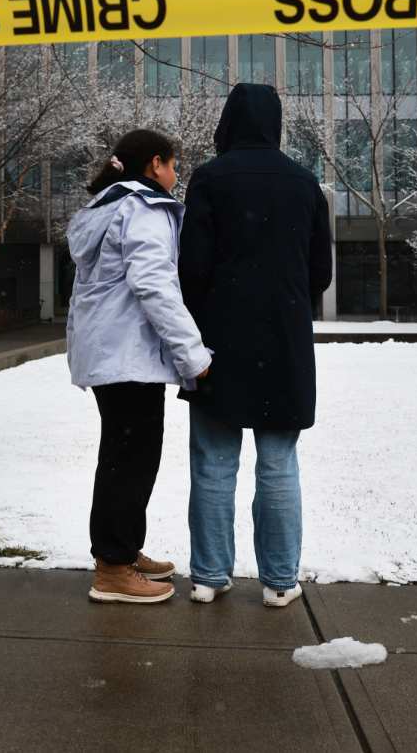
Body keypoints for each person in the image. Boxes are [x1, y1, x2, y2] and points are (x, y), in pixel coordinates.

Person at [178, 83, 333, 608]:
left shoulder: (208, 179)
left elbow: (191, 269)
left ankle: (209, 576)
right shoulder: (304, 182)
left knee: (214, 461)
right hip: (284, 342)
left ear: (228, 122)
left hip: (220, 340)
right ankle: (281, 580)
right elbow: (322, 273)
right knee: (278, 462)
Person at [66, 128, 213, 604]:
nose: (176, 174)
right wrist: (194, 356)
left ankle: (122, 553)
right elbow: (155, 286)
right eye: (174, 165)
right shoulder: (144, 209)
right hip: (128, 356)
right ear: (154, 164)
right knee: (130, 461)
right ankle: (112, 568)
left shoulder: (105, 208)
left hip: (110, 353)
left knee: (122, 457)